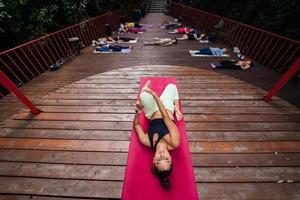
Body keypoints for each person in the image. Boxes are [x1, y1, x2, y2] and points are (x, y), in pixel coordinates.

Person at [133, 80, 182, 189]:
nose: (162, 155)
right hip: (167, 108)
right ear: (171, 158)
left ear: (154, 160)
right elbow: (166, 119)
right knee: (171, 86)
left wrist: (138, 110)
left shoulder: (147, 141)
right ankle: (176, 107)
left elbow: (136, 125)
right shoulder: (174, 143)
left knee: (144, 95)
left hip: (151, 112)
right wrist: (155, 95)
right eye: (166, 159)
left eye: (159, 160)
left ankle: (145, 93)